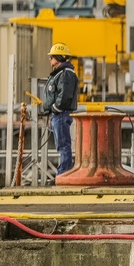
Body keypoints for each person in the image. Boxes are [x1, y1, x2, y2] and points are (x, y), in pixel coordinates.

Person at [42, 42, 78, 175]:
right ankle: (64, 173)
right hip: (58, 114)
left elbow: (65, 96)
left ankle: (64, 173)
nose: (50, 59)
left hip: (61, 114)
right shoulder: (61, 73)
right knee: (61, 145)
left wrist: (55, 108)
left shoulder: (65, 73)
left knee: (63, 145)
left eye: (51, 57)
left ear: (58, 57)